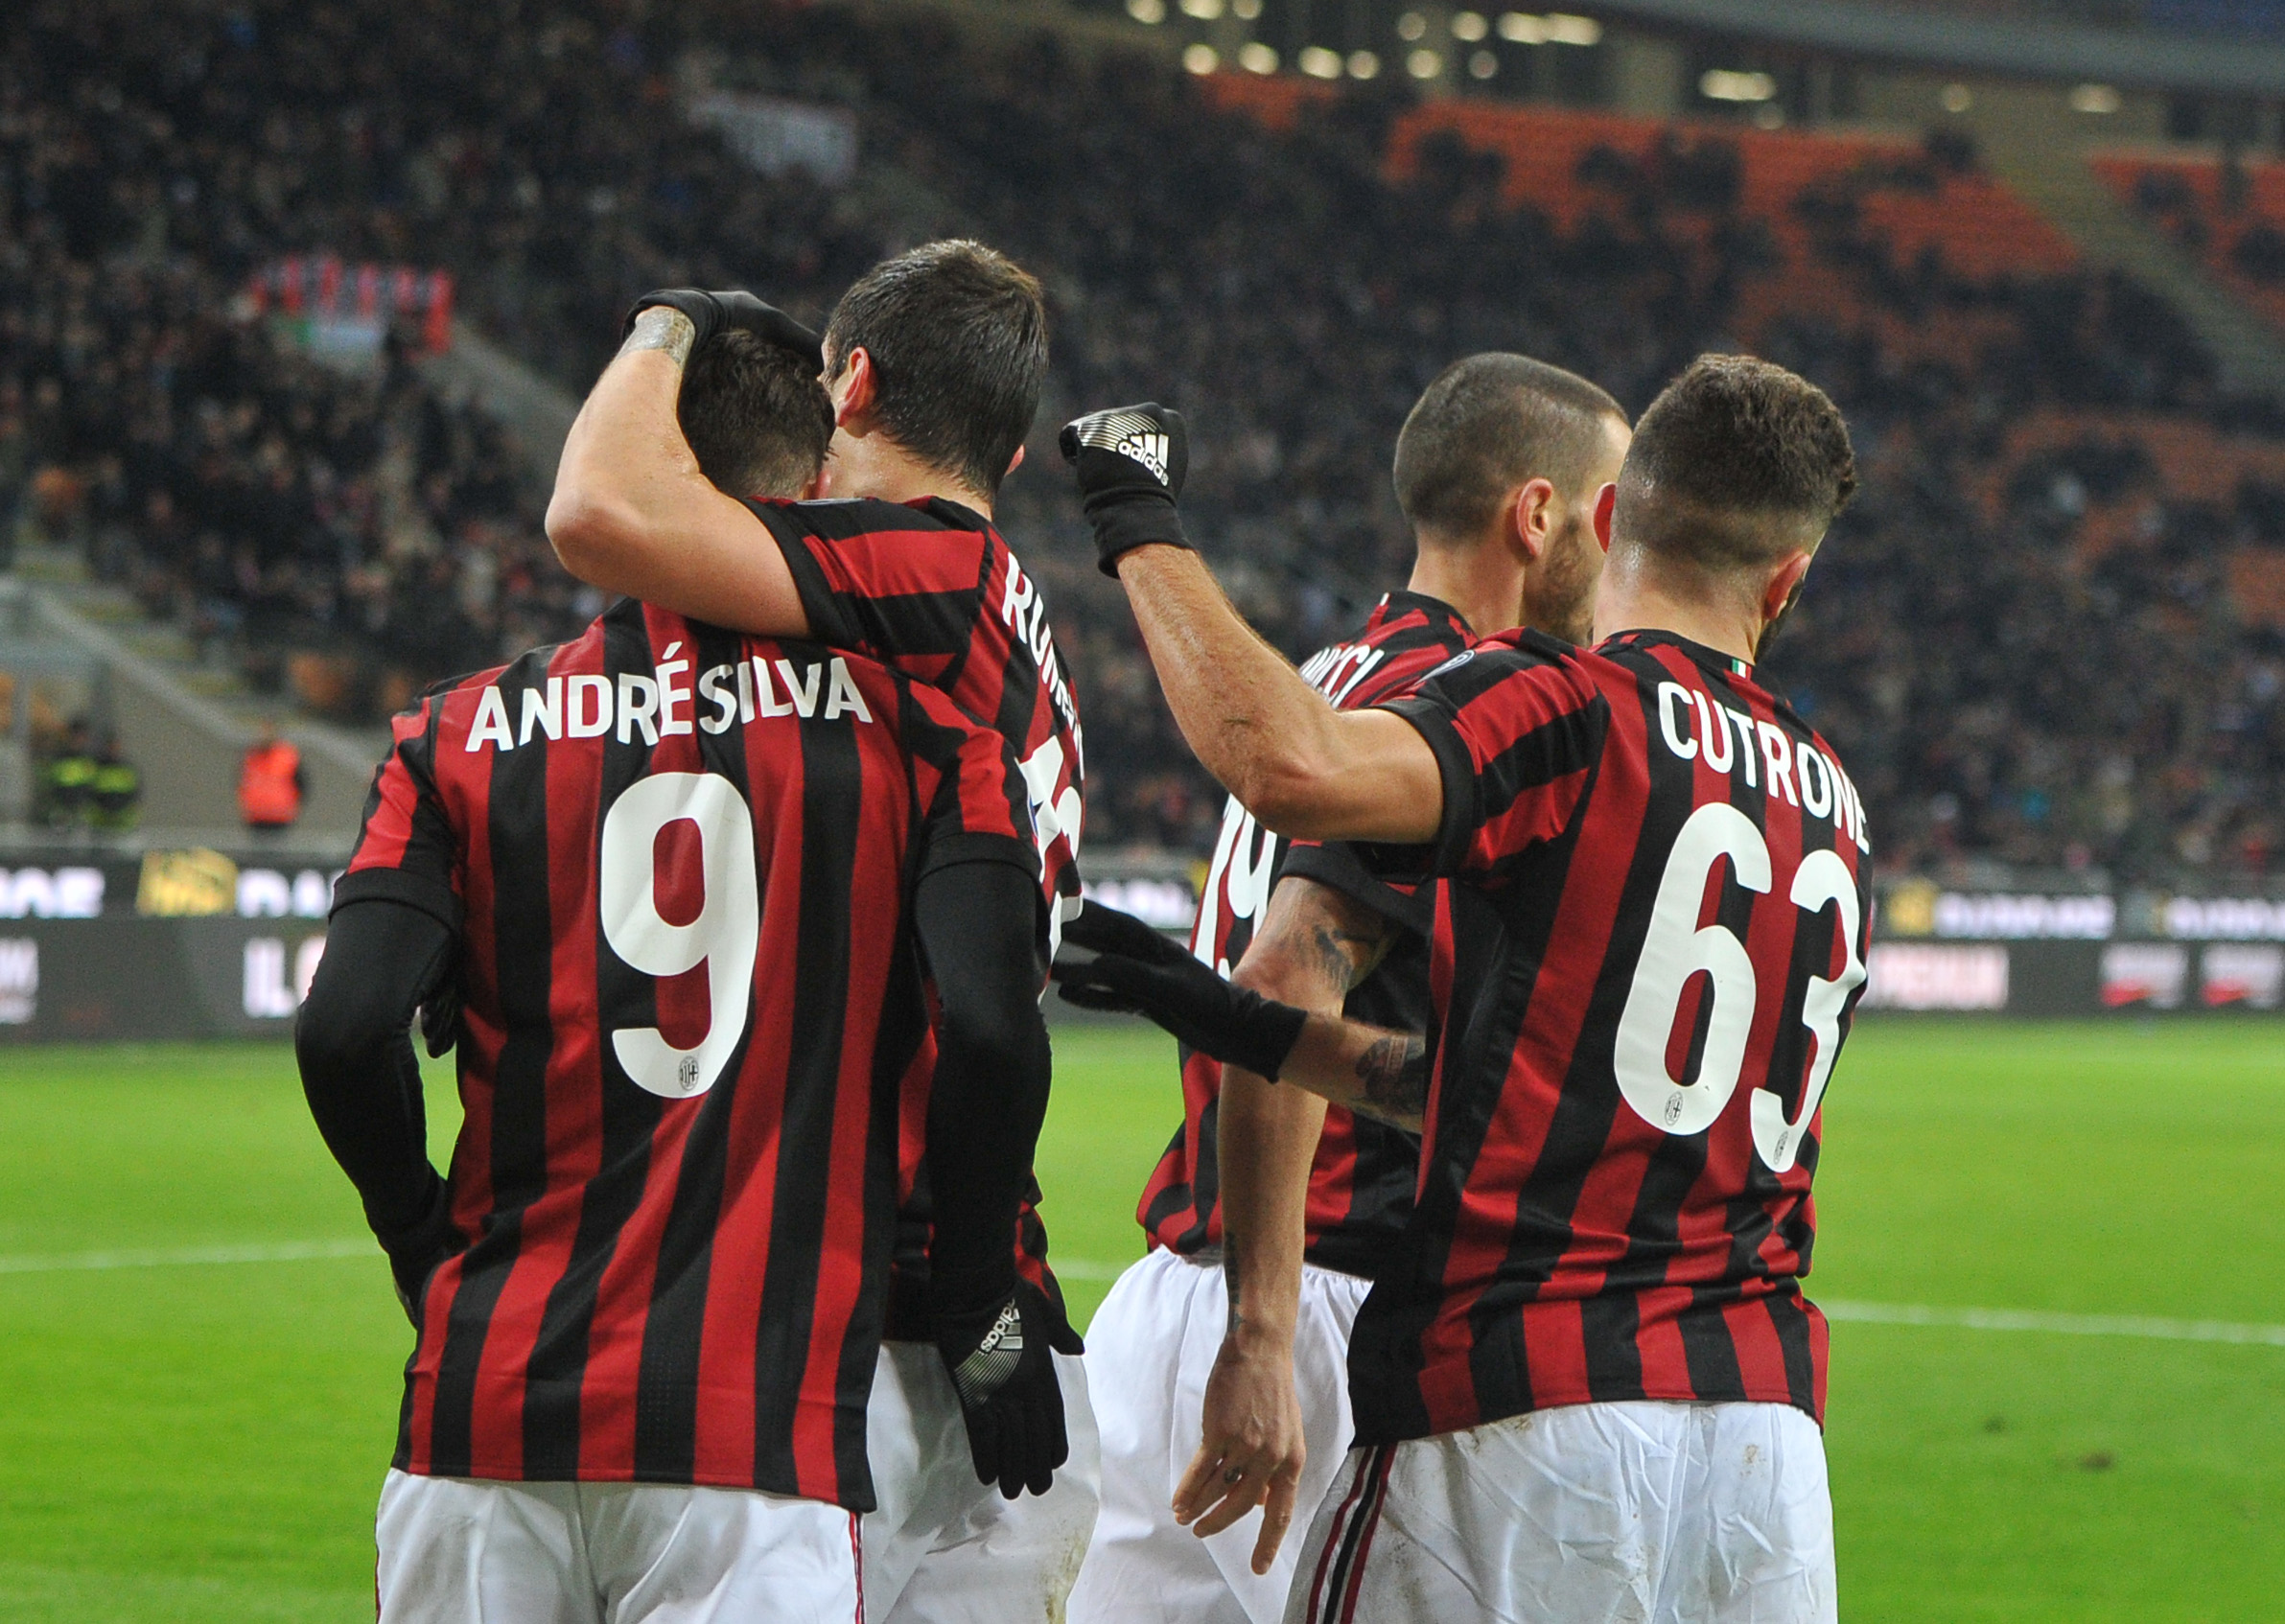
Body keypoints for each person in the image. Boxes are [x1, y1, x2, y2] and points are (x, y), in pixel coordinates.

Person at [1056, 357, 1868, 1622]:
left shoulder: (1536, 702)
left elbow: (1289, 770)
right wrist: (1239, 1020)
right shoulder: (1832, 800)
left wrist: (1133, 514)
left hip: (1510, 1384)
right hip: (1755, 1429)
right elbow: (1540, 1080)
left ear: (1611, 519)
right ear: (1787, 579)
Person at [294, 334, 1075, 1620]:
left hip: (481, 1414)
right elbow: (992, 1031)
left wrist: (419, 1238)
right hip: (755, 1437)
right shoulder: (927, 738)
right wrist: (980, 1293)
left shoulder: (450, 735)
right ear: (809, 492)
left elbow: (342, 1030)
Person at [546, 245, 1099, 1624]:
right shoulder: (999, 612)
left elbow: (600, 508)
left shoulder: (923, 568)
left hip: (888, 1321)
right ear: (1010, 452)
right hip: (975, 1294)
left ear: (849, 384)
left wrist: (674, 317)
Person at [1065, 356, 1630, 1624]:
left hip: (1176, 1290)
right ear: (1536, 515)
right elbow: (1284, 982)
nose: (1621, 545)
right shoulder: (1450, 710)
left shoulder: (1330, 672)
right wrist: (1264, 1329)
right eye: (1610, 508)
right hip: (1318, 1298)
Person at [239, 720, 305, 831]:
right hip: (255, 816)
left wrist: (295, 807)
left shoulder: (288, 756)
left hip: (281, 816)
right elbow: (241, 783)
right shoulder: (251, 756)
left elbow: (301, 784)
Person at [87, 732, 141, 833]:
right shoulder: (97, 769)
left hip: (123, 820)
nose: (113, 750)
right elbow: (89, 793)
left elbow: (135, 794)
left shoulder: (127, 770)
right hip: (100, 820)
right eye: (111, 747)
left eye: (116, 746)